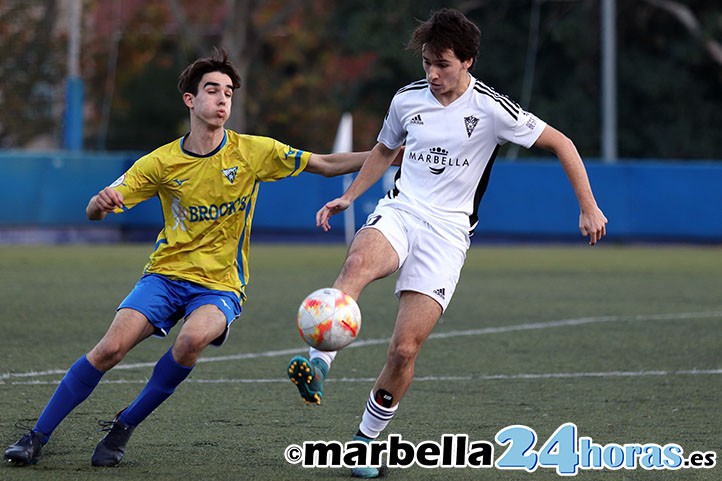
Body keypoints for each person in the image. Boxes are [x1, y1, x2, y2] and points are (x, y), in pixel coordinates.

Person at [3, 48, 368, 468]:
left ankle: (124, 426)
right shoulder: (160, 161)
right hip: (164, 276)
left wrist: (388, 153)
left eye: (228, 92)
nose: (222, 99)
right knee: (109, 350)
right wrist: (100, 205)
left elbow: (325, 163)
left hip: (220, 285)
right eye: (212, 90)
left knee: (192, 341)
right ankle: (36, 436)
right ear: (190, 100)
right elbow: (93, 209)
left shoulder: (252, 151)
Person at [287, 8, 608, 478]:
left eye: (443, 64)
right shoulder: (407, 100)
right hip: (402, 211)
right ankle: (318, 364)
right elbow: (382, 151)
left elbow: (563, 142)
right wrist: (350, 197)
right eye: (426, 63)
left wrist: (589, 206)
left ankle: (366, 443)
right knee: (357, 262)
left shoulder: (493, 111)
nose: (433, 74)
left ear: (469, 62)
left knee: (404, 350)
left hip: (448, 235)